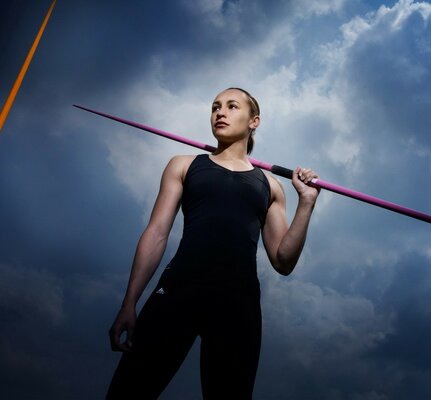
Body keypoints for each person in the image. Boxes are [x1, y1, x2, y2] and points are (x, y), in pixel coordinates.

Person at [105, 88, 320, 399]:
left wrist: (307, 203)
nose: (221, 112)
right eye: (216, 107)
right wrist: (129, 303)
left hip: (238, 304)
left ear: (253, 121)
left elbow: (283, 261)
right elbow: (156, 234)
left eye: (232, 107)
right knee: (128, 392)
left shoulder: (271, 186)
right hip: (179, 290)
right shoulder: (183, 164)